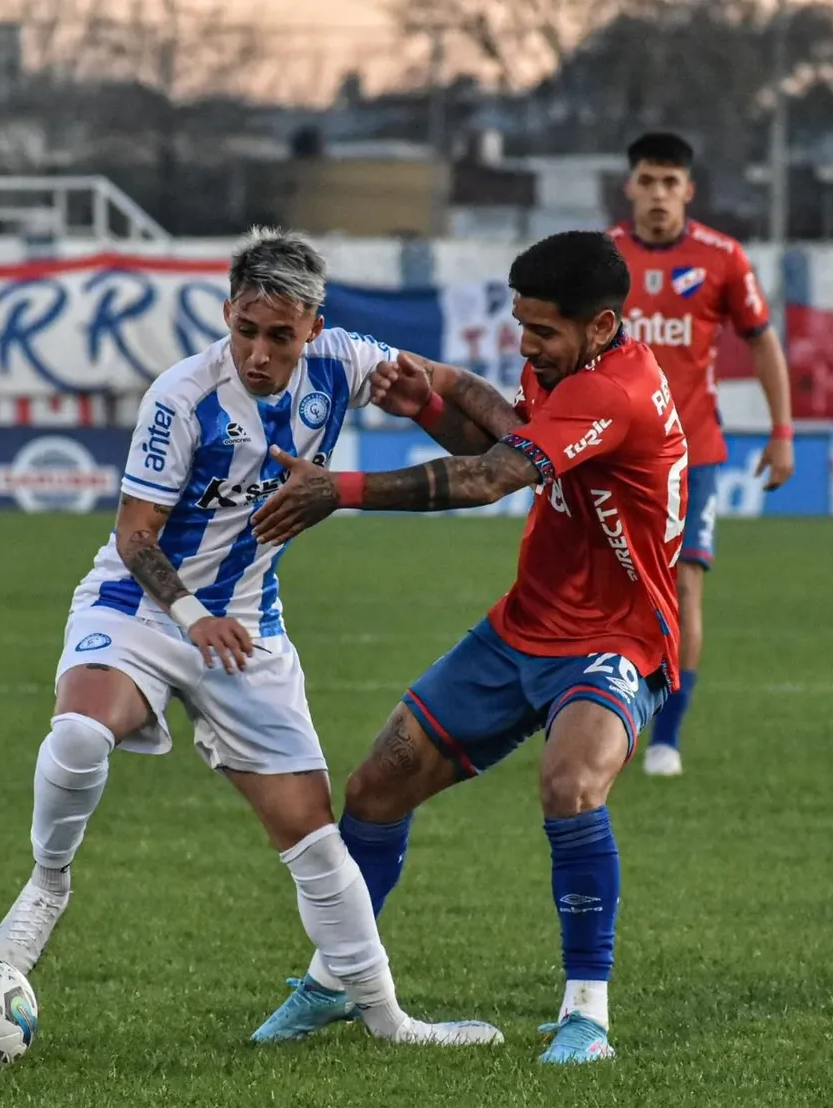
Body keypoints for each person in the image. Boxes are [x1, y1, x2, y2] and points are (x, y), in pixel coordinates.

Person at [0, 226, 501, 1049]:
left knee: (312, 834)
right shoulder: (181, 397)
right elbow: (135, 537)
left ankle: (387, 1019)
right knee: (81, 733)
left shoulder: (346, 361)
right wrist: (193, 617)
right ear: (228, 313)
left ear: (313, 328)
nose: (260, 353)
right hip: (144, 609)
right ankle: (48, 883)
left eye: (281, 337)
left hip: (249, 626)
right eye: (246, 330)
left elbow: (451, 401)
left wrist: (512, 436)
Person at [251, 230, 687, 1063]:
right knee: (376, 787)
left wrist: (335, 491)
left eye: (543, 330)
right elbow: (515, 436)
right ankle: (338, 978)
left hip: (617, 638)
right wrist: (429, 395)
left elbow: (492, 478)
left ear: (601, 327)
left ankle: (586, 1015)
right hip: (523, 624)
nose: (527, 343)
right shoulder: (569, 372)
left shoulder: (618, 392)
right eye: (519, 324)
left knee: (569, 785)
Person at [612, 131, 794, 776]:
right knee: (610, 589)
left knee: (685, 584)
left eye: (670, 182)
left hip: (694, 454)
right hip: (614, 457)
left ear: (688, 189)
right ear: (630, 185)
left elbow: (763, 342)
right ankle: (600, 715)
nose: (658, 193)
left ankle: (668, 735)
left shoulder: (723, 258)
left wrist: (781, 432)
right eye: (647, 180)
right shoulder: (603, 260)